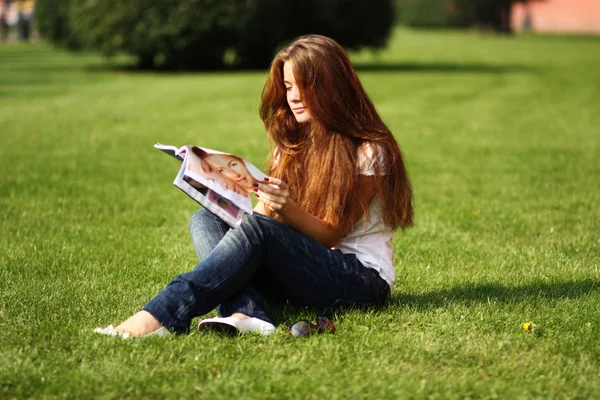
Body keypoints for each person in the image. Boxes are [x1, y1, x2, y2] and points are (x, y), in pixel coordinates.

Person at [94, 34, 413, 338]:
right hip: (305, 268)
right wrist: (227, 196)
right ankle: (247, 313)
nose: (294, 97)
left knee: (258, 230)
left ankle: (161, 315)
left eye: (303, 86)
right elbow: (264, 220)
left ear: (331, 86)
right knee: (205, 219)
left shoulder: (369, 150)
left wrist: (282, 208)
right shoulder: (293, 142)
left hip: (361, 280)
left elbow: (332, 233)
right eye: (288, 87)